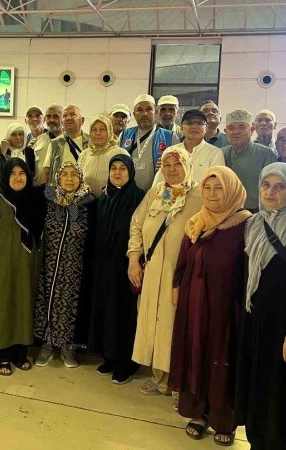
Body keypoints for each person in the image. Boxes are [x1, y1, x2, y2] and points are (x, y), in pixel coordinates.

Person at [234, 163, 286, 450]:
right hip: (255, 319)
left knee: (279, 389)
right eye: (266, 185)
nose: (271, 192)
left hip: (285, 325)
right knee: (255, 384)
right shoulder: (254, 223)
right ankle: (256, 442)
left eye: (280, 186)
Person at [169, 166, 251, 447]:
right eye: (208, 188)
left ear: (232, 191)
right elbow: (184, 258)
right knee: (195, 352)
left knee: (221, 357)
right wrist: (177, 286)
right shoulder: (197, 221)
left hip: (226, 307)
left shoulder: (245, 225)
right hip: (194, 304)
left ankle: (223, 419)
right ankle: (198, 412)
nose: (213, 194)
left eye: (219, 188)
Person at [128, 145, 203, 397]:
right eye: (167, 165)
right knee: (153, 321)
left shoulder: (199, 195)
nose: (172, 170)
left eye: (177, 164)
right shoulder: (156, 192)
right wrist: (134, 258)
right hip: (152, 272)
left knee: (176, 325)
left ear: (188, 165)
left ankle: (179, 383)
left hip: (180, 275)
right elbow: (137, 223)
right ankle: (160, 378)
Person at [0, 158, 44, 376]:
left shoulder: (35, 201)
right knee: (1, 308)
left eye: (21, 173)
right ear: (5, 177)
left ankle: (20, 353)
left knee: (23, 307)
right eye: (12, 174)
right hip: (1, 267)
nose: (17, 178)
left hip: (27, 266)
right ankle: (1, 355)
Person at [89, 154, 146, 384]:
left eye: (123, 168)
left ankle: (127, 363)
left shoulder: (139, 197)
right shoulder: (105, 198)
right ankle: (110, 357)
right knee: (107, 310)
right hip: (105, 266)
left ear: (131, 172)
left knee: (125, 313)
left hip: (127, 266)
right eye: (114, 168)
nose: (118, 172)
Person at [34, 162, 96, 368]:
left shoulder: (89, 203)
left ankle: (68, 347)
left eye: (74, 175)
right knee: (48, 302)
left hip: (75, 268)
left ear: (81, 178)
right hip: (49, 265)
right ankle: (47, 345)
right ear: (58, 178)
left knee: (70, 307)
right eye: (65, 175)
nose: (69, 178)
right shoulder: (48, 198)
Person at [222, 109, 277, 212]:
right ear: (225, 132)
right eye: (231, 128)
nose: (236, 132)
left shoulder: (266, 154)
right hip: (225, 211)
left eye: (242, 127)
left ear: (252, 130)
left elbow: (274, 187)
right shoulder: (221, 153)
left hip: (257, 213)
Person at [153, 109, 224, 185]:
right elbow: (159, 183)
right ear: (181, 128)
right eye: (189, 123)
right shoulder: (170, 151)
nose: (194, 126)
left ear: (206, 128)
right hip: (171, 192)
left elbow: (217, 184)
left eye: (200, 123)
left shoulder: (215, 154)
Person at [120, 94, 175, 191]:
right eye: (140, 110)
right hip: (127, 193)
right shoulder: (124, 135)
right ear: (134, 114)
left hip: (157, 193)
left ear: (156, 112)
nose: (144, 113)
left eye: (149, 109)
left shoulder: (169, 137)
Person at [77, 115, 127, 196]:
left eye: (102, 129)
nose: (98, 133)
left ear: (109, 131)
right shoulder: (84, 155)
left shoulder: (120, 153)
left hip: (111, 201)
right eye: (94, 129)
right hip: (87, 202)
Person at [40, 105, 88, 185]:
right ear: (62, 122)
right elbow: (45, 172)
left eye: (73, 114)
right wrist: (44, 192)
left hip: (84, 189)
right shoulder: (55, 143)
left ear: (82, 120)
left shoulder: (91, 142)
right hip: (59, 191)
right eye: (65, 115)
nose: (68, 118)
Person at [25, 105, 51, 184]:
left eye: (37, 116)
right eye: (30, 116)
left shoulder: (51, 137)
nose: (34, 119)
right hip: (32, 184)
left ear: (44, 119)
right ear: (26, 120)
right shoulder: (25, 140)